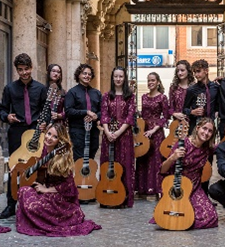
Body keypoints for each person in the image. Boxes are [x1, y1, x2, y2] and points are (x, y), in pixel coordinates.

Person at [16, 122, 102, 236]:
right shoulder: (45, 150)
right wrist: (19, 167)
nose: (49, 138)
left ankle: (46, 221)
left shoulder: (62, 156)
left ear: (60, 140)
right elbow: (39, 167)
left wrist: (47, 190)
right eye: (49, 134)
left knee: (32, 204)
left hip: (60, 198)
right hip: (46, 191)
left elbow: (69, 186)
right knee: (23, 191)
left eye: (55, 137)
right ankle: (39, 219)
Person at [0, 53, 48, 219]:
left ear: (31, 67)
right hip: (17, 132)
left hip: (35, 133)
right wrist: (7, 117)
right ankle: (11, 205)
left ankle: (35, 203)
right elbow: (2, 109)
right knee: (14, 169)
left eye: (26, 69)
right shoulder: (10, 88)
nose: (24, 73)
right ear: (16, 70)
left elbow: (45, 111)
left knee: (36, 167)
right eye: (20, 70)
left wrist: (44, 123)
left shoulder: (41, 89)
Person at [156, 117, 219, 229]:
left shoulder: (208, 148)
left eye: (210, 131)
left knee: (211, 217)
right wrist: (173, 157)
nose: (206, 133)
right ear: (198, 128)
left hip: (194, 188)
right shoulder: (183, 143)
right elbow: (162, 170)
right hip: (177, 187)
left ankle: (183, 220)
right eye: (204, 128)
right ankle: (180, 218)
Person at [100, 66, 136, 208]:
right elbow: (104, 115)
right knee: (108, 164)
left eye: (121, 76)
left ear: (124, 78)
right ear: (112, 78)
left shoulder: (131, 96)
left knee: (124, 165)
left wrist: (118, 133)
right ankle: (107, 195)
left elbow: (130, 117)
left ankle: (123, 197)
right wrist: (108, 132)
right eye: (116, 76)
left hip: (124, 135)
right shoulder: (106, 95)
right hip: (108, 135)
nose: (118, 79)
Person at [135, 72, 170, 197]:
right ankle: (142, 189)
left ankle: (157, 189)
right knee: (143, 157)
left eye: (153, 80)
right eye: (148, 80)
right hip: (144, 130)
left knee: (156, 160)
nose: (150, 82)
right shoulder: (144, 97)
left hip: (156, 132)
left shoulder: (162, 98)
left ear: (158, 82)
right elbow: (143, 115)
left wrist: (153, 130)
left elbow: (166, 116)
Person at [65, 63, 102, 161]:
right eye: (84, 73)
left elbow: (102, 110)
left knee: (91, 159)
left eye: (89, 74)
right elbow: (68, 111)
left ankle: (90, 177)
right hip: (78, 131)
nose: (87, 76)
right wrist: (86, 112)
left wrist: (96, 116)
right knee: (79, 160)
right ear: (79, 75)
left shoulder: (96, 93)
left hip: (93, 130)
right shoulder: (72, 92)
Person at [183, 59, 218, 134]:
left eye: (198, 71)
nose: (196, 75)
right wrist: (192, 112)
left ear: (206, 71)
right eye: (194, 72)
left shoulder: (215, 87)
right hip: (195, 125)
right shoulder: (191, 89)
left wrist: (215, 115)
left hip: (211, 126)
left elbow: (218, 106)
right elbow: (184, 109)